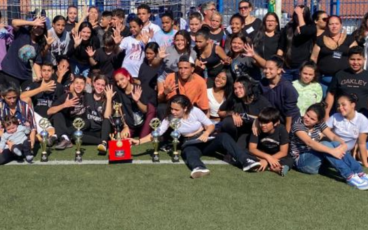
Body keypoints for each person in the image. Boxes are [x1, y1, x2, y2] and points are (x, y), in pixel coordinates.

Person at [131, 95, 260, 178]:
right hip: (189, 143)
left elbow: (210, 125)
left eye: (176, 109)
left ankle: (246, 161)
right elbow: (157, 132)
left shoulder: (195, 111)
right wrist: (139, 142)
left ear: (185, 108)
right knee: (188, 153)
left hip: (205, 140)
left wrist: (206, 133)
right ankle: (199, 168)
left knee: (224, 137)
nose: (173, 112)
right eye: (171, 109)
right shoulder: (169, 118)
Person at [290, 103, 368, 190]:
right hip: (302, 163)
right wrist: (332, 151)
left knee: (336, 144)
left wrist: (343, 144)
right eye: (307, 115)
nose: (307, 119)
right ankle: (349, 176)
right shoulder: (298, 125)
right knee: (325, 144)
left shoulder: (320, 124)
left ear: (318, 121)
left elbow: (333, 136)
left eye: (312, 119)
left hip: (319, 162)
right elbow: (310, 142)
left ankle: (359, 172)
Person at [324, 46, 368, 116]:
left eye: (359, 59)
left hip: (363, 116)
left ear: (364, 59)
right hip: (341, 115)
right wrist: (326, 113)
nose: (355, 62)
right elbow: (331, 94)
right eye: (352, 59)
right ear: (348, 59)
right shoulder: (339, 75)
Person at [217, 76, 271, 147]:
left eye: (240, 87)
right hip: (243, 131)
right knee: (227, 122)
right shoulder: (234, 98)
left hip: (259, 131)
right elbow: (220, 112)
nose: (237, 91)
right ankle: (230, 143)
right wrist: (232, 113)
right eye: (235, 88)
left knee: (248, 149)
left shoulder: (259, 100)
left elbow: (272, 115)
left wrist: (258, 119)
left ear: (247, 87)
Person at [310, 15, 357, 94]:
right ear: (327, 26)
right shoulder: (320, 39)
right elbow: (313, 58)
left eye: (336, 24)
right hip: (325, 79)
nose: (334, 26)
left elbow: (356, 56)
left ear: (341, 25)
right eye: (331, 24)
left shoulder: (349, 39)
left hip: (344, 79)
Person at [0, 16, 49, 89]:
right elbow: (14, 22)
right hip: (11, 71)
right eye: (37, 27)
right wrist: (32, 22)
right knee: (14, 94)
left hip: (26, 75)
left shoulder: (39, 44)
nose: (39, 30)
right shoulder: (23, 33)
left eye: (41, 28)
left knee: (29, 94)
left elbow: (37, 62)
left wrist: (39, 76)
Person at [326, 94, 368, 166]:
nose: (340, 108)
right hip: (330, 146)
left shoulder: (363, 120)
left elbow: (362, 143)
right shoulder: (335, 116)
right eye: (338, 105)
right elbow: (324, 131)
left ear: (353, 105)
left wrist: (365, 163)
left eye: (343, 105)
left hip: (345, 151)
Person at [248, 107, 294, 176]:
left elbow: (283, 152)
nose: (262, 125)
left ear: (275, 123)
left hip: (277, 155)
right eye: (261, 122)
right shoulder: (257, 129)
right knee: (246, 153)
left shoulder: (282, 129)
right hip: (262, 154)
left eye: (266, 122)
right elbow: (252, 149)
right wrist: (268, 158)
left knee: (290, 160)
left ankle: (275, 167)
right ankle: (273, 167)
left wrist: (267, 160)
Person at [112, 68, 156, 138]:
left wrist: (137, 101)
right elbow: (119, 109)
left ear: (128, 77)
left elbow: (145, 110)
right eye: (117, 81)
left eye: (122, 79)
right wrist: (125, 126)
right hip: (130, 125)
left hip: (143, 122)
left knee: (143, 138)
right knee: (122, 138)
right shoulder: (118, 92)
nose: (120, 83)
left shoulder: (138, 89)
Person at [48, 75, 90, 149]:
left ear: (85, 86)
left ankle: (57, 136)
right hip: (65, 124)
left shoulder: (88, 97)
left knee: (87, 122)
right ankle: (65, 138)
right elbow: (49, 111)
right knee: (57, 114)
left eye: (81, 83)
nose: (79, 85)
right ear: (72, 84)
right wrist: (64, 105)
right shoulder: (67, 96)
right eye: (76, 83)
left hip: (77, 125)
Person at [259, 56, 300, 132]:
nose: (267, 71)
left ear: (279, 70)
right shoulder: (262, 84)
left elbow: (289, 113)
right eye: (265, 68)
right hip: (273, 120)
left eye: (271, 69)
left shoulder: (287, 87)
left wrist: (286, 133)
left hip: (291, 122)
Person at [277, 6, 316, 81]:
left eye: (301, 14)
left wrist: (299, 14)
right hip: (287, 67)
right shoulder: (288, 28)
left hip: (302, 68)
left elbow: (304, 31)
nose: (298, 17)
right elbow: (281, 47)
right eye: (296, 14)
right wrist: (278, 64)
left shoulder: (311, 27)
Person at [137, 42, 161, 106]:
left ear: (156, 53)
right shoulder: (143, 64)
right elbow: (140, 80)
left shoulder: (160, 66)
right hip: (143, 96)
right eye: (147, 53)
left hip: (154, 98)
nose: (148, 55)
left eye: (151, 53)